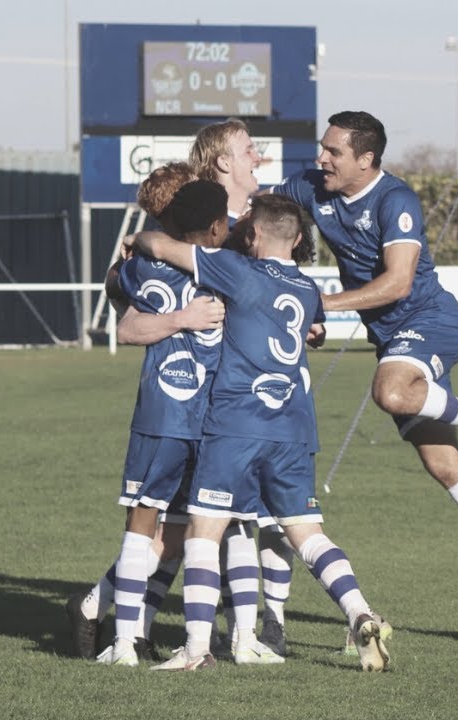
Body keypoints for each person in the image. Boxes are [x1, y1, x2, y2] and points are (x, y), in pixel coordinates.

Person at [273, 111, 458, 619]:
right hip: (392, 338)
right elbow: (261, 219)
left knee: (392, 392)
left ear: (366, 159)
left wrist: (320, 306)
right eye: (323, 147)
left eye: (334, 152)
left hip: (431, 320)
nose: (322, 158)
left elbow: (399, 283)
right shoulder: (311, 186)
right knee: (441, 461)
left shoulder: (395, 199)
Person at [134, 192, 391, 673]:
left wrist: (137, 237)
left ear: (251, 235)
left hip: (236, 423)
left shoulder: (237, 270)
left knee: (203, 530)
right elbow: (313, 331)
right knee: (307, 533)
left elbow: (163, 247)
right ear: (297, 241)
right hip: (294, 426)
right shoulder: (310, 290)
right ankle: (359, 611)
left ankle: (196, 650)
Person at [64, 169, 237, 665]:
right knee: (143, 523)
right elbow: (128, 326)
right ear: (214, 228)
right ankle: (126, 642)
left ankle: (119, 628)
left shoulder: (152, 265)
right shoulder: (219, 266)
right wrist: (182, 318)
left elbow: (122, 300)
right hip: (166, 415)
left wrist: (140, 244)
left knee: (178, 530)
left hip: (208, 419)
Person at [191, 119, 298, 656]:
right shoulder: (200, 225)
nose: (258, 155)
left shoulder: (270, 221)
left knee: (283, 510)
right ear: (223, 163)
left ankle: (270, 621)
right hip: (212, 397)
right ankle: (213, 625)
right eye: (247, 148)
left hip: (275, 395)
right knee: (207, 517)